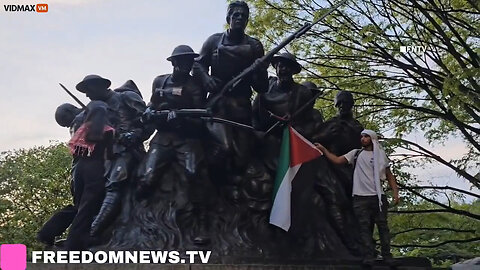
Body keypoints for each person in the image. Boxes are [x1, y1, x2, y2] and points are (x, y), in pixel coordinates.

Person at [139, 45, 211, 245]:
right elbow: (150, 107)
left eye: (189, 62)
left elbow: (199, 119)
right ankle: (141, 221)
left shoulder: (195, 87)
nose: (186, 65)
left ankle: (201, 224)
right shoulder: (160, 81)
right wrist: (149, 114)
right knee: (147, 176)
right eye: (183, 61)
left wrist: (179, 119)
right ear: (174, 62)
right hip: (163, 139)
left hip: (186, 139)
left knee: (194, 173)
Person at [193, 0, 268, 188]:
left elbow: (262, 87)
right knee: (223, 148)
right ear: (228, 18)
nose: (240, 18)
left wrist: (259, 70)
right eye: (236, 15)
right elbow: (198, 65)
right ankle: (213, 187)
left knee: (242, 158)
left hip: (241, 108)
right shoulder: (213, 41)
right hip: (217, 106)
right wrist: (206, 79)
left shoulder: (255, 45)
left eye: (244, 16)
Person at [74, 75, 151, 237]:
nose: (87, 95)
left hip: (127, 152)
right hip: (103, 155)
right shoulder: (93, 107)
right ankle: (82, 232)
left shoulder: (126, 97)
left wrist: (135, 135)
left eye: (89, 90)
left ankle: (92, 231)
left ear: (99, 86)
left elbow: (148, 119)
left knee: (115, 183)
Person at [314, 130, 400, 264]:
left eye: (366, 137)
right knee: (363, 227)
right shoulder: (355, 153)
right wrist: (324, 150)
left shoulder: (380, 155)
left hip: (378, 197)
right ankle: (368, 256)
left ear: (372, 139)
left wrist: (395, 192)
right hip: (360, 197)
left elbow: (389, 175)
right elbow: (337, 160)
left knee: (382, 226)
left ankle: (387, 256)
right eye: (362, 136)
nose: (363, 139)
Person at [64, 101, 114, 250]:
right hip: (96, 170)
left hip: (80, 168)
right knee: (87, 210)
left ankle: (52, 234)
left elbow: (75, 150)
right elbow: (110, 155)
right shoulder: (109, 130)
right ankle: (72, 247)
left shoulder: (82, 128)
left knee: (80, 207)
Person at [37, 103, 83, 247]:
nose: (67, 125)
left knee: (82, 207)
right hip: (83, 172)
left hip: (79, 173)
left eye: (65, 121)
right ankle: (59, 237)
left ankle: (48, 233)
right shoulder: (79, 121)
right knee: (83, 208)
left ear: (70, 111)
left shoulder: (80, 119)